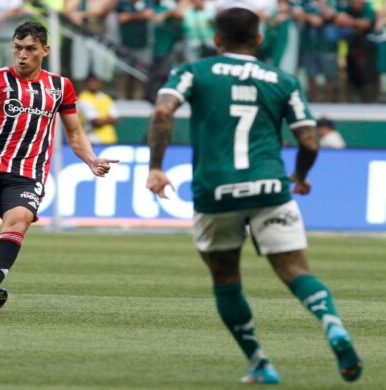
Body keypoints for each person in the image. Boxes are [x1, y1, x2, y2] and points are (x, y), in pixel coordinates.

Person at [146, 7, 362, 384]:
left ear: (216, 39)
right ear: (259, 40)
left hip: (216, 190)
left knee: (226, 276)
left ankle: (260, 362)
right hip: (269, 187)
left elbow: (163, 111)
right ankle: (334, 327)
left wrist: (156, 166)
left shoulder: (193, 71)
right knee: (295, 271)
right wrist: (300, 176)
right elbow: (309, 141)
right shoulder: (282, 80)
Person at [0, 22, 118, 318]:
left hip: (27, 173)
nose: (22, 55)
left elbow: (75, 134)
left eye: (30, 49)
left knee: (17, 223)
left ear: (45, 50)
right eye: (17, 48)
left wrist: (91, 160)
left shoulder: (60, 86)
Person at [77, 74, 120, 144]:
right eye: (90, 82)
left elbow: (116, 119)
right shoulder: (83, 98)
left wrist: (102, 120)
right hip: (92, 140)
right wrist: (109, 119)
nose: (93, 84)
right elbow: (95, 122)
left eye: (95, 82)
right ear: (86, 84)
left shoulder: (105, 97)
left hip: (110, 139)